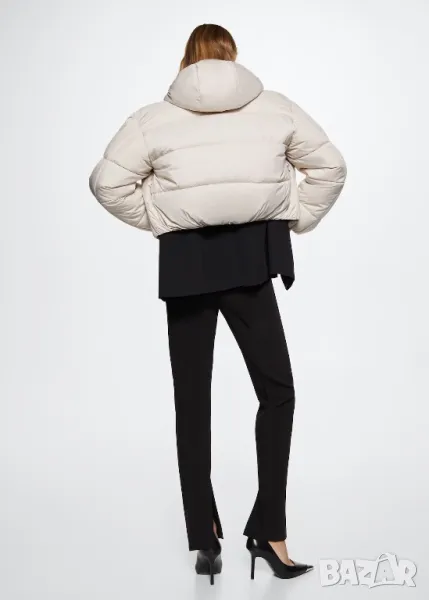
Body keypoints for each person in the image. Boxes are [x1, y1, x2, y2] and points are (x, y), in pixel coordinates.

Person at [89, 23, 347, 585]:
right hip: (251, 259)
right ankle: (271, 533)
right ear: (232, 58)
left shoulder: (152, 119)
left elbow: (107, 183)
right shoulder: (274, 108)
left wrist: (164, 217)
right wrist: (293, 216)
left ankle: (204, 538)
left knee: (192, 402)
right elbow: (331, 168)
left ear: (188, 61)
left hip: (186, 266)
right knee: (277, 392)